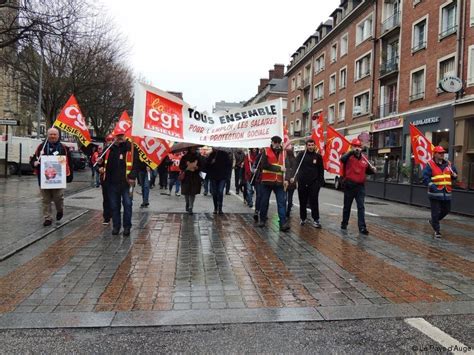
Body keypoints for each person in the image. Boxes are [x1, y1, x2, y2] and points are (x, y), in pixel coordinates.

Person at [98, 127, 138, 236]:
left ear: (125, 136)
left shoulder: (131, 148)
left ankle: (127, 227)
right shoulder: (109, 149)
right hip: (111, 183)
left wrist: (132, 177)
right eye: (117, 135)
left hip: (126, 183)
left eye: (121, 135)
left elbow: (135, 165)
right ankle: (116, 226)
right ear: (114, 136)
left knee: (128, 205)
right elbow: (103, 165)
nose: (119, 138)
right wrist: (100, 165)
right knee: (114, 206)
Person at [31, 127, 73, 226]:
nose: (53, 136)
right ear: (47, 135)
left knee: (58, 197)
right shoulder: (41, 147)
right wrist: (34, 163)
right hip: (44, 179)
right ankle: (47, 218)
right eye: (51, 134)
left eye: (55, 134)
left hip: (58, 179)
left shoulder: (63, 148)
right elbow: (33, 159)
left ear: (58, 136)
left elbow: (69, 162)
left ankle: (60, 210)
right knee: (45, 199)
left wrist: (69, 176)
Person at [340, 139, 375, 235]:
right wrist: (351, 151)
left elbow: (368, 171)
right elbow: (342, 159)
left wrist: (373, 170)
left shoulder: (364, 158)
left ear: (361, 148)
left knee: (361, 207)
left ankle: (362, 227)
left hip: (360, 186)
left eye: (358, 147)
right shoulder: (348, 157)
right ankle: (344, 223)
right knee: (347, 206)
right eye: (355, 146)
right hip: (349, 185)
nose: (357, 149)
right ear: (351, 147)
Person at [422, 146, 458, 238]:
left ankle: (433, 221)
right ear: (435, 154)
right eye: (440, 153)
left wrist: (454, 175)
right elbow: (425, 178)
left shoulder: (449, 164)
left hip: (447, 192)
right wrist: (432, 186)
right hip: (435, 193)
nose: (442, 154)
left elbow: (454, 175)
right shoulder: (430, 164)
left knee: (446, 210)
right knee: (435, 212)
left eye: (443, 153)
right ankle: (437, 231)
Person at [258, 136, 290, 232]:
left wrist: (287, 179)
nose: (276, 143)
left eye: (278, 142)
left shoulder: (284, 153)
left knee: (282, 203)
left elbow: (288, 168)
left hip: (279, 182)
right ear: (271, 142)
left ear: (280, 143)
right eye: (275, 142)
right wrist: (279, 169)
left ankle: (283, 223)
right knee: (264, 202)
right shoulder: (266, 151)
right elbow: (264, 165)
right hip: (267, 181)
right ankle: (262, 220)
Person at [294, 139, 324, 227]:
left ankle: (316, 219)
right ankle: (303, 218)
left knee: (314, 201)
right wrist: (295, 178)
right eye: (309, 145)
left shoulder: (318, 156)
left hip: (314, 183)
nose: (311, 147)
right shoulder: (301, 155)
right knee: (302, 201)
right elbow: (296, 166)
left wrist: (320, 182)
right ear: (306, 146)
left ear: (314, 146)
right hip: (302, 182)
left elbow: (321, 169)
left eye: (312, 145)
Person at [206, 148, 232, 214]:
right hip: (213, 177)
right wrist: (210, 162)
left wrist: (227, 175)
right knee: (214, 193)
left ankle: (220, 208)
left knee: (220, 191)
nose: (213, 148)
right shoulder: (211, 155)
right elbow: (206, 165)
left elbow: (229, 165)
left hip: (222, 177)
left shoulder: (224, 154)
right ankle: (215, 207)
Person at [179, 147, 202, 214]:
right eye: (192, 148)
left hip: (195, 177)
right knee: (186, 192)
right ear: (189, 149)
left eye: (194, 148)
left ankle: (190, 207)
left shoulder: (198, 157)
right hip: (186, 177)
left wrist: (197, 167)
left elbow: (202, 166)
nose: (193, 149)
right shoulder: (184, 157)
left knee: (193, 192)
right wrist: (186, 166)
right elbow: (180, 166)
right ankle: (187, 203)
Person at [284, 145, 298, 219]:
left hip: (286, 181)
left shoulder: (286, 160)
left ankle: (285, 211)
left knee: (284, 197)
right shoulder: (295, 160)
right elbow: (296, 172)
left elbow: (287, 171)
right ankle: (288, 211)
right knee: (290, 198)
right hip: (292, 182)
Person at [252, 148, 264, 222]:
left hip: (266, 180)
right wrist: (254, 170)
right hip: (258, 179)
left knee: (264, 197)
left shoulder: (269, 156)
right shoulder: (258, 156)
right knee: (259, 195)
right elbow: (253, 167)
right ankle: (257, 211)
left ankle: (263, 212)